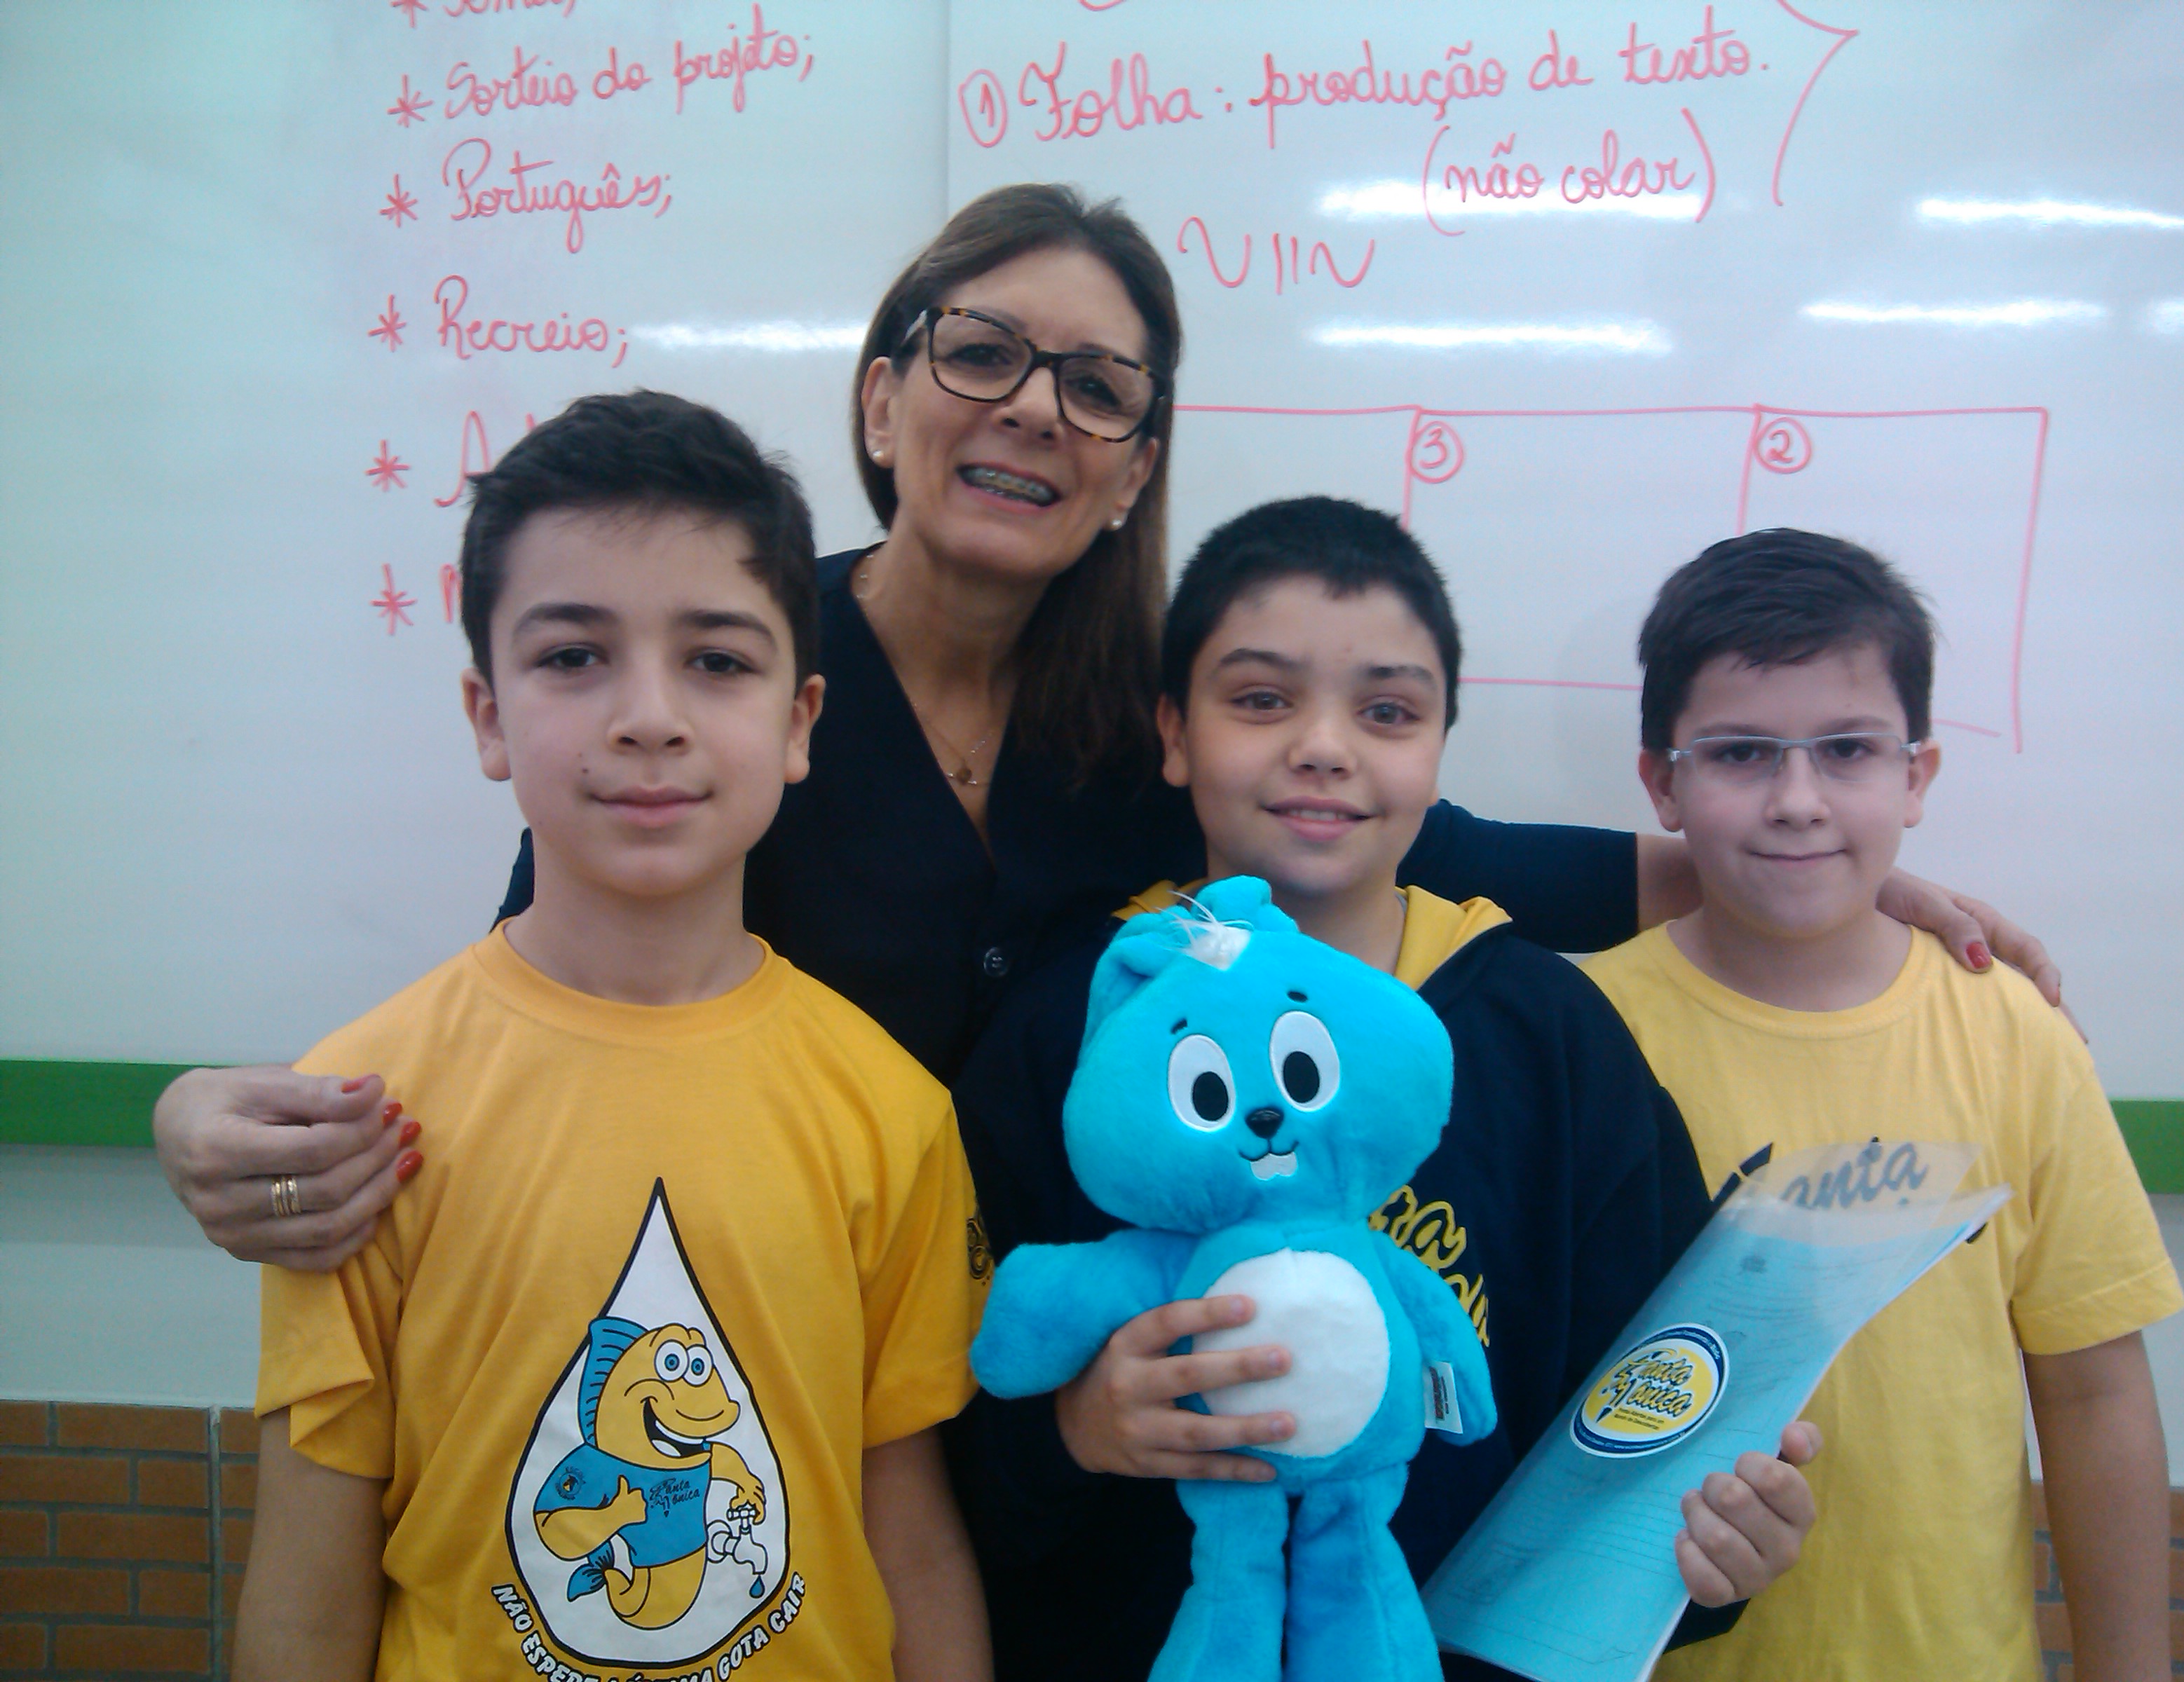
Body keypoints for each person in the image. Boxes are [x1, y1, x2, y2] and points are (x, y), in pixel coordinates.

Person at [151, 183, 2059, 1273]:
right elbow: (541, 971)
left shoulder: (1157, 718)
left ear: (1139, 463)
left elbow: (1452, 850)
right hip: (773, 1305)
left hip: (1083, 1363)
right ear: (884, 398)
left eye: (1100, 387)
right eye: (982, 353)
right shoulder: (729, 673)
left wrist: (1805, 864)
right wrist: (204, 1115)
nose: (1034, 410)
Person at [947, 498, 1821, 1682]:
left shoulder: (1548, 1033)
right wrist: (1070, 1431)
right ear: (1174, 733)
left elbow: (1646, 1418)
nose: (1325, 746)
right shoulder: (1073, 1031)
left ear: (1441, 744)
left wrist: (1716, 1546)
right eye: (1261, 700)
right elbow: (944, 1438)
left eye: (1388, 711)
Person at [234, 393, 990, 1682]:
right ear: (488, 715)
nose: (649, 716)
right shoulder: (359, 1112)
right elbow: (309, 1577)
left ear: (799, 721)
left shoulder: (893, 1109)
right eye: (576, 656)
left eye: (718, 661)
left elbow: (907, 1533)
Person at [1579, 529, 2183, 1682]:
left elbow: (2095, 1389)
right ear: (1662, 782)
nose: (1798, 802)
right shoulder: (1576, 1037)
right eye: (1741, 754)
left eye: (1848, 750)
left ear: (1917, 775)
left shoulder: (2011, 1034)